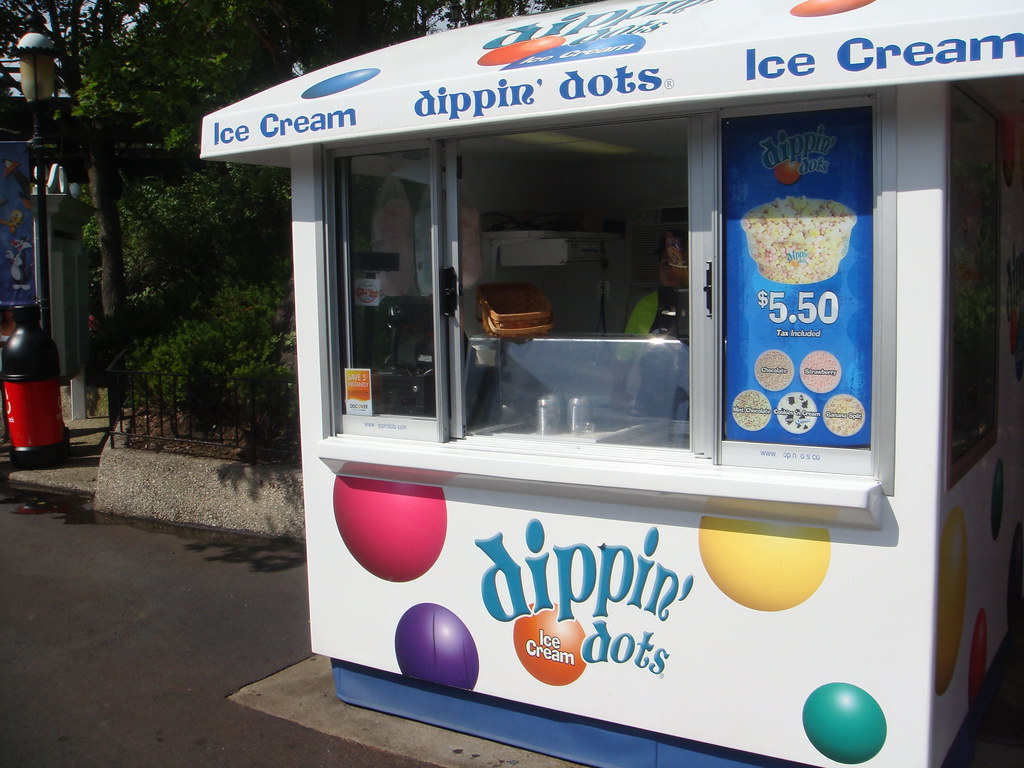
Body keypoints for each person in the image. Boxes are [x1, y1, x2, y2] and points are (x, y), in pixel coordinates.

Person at [618, 232, 690, 422]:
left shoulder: (710, 303)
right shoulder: (645, 305)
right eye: (665, 263)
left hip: (697, 404)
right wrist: (617, 390)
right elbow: (623, 356)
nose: (671, 270)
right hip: (651, 403)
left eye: (678, 263)